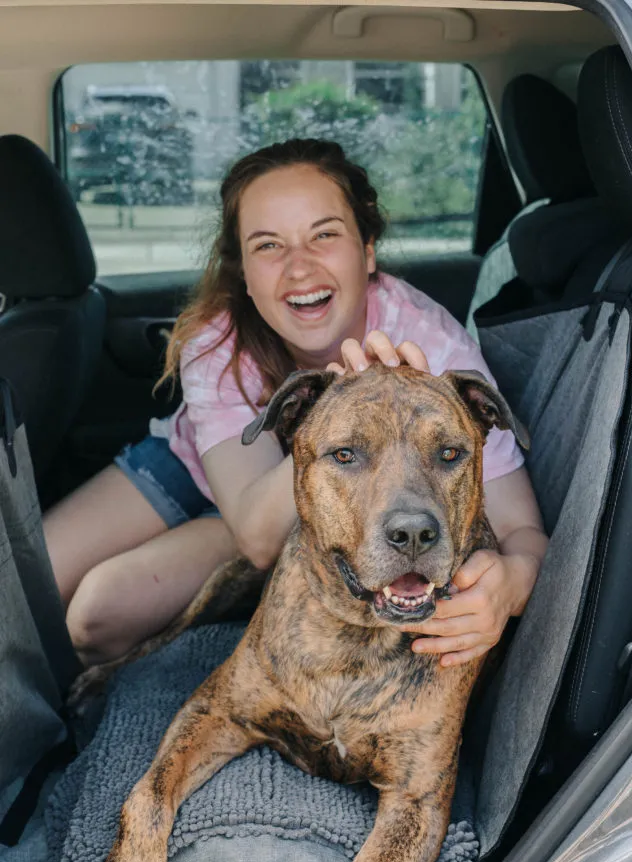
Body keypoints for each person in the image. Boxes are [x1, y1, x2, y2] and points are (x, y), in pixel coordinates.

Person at [44, 138, 548, 671]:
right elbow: (252, 516)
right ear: (241, 268)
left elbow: (523, 531)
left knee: (97, 613)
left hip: (295, 509)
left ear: (368, 248)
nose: (300, 269)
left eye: (324, 235)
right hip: (193, 468)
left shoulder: (432, 351)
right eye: (268, 245)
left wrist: (509, 587)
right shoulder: (218, 340)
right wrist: (335, 407)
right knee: (29, 582)